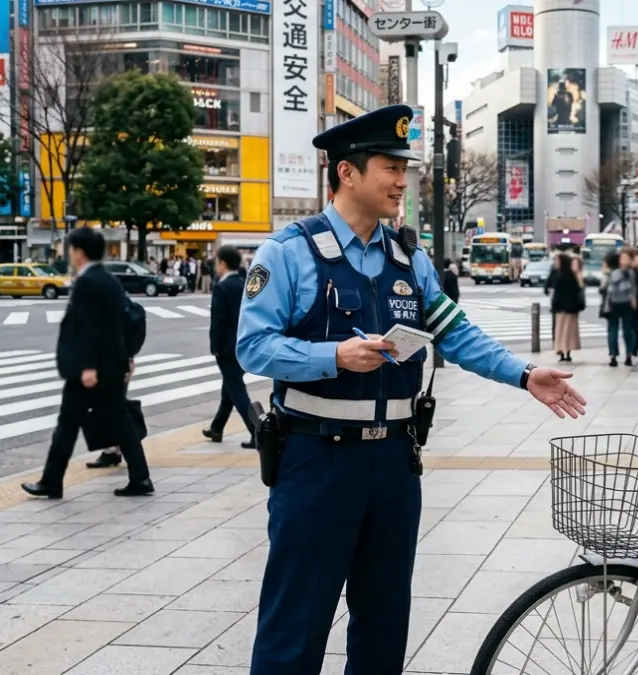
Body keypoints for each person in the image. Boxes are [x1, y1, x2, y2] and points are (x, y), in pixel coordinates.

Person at [235, 104, 587, 675]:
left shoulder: (408, 259)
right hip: (316, 459)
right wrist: (334, 356)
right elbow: (253, 346)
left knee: (384, 622)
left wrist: (524, 375)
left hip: (395, 463)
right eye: (389, 166)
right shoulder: (289, 252)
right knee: (294, 624)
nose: (403, 180)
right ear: (346, 172)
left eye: (405, 167)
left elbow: (456, 332)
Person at [22, 227, 153, 499]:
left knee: (68, 424)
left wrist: (88, 367)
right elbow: (119, 325)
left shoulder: (88, 282)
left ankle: (51, 481)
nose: (69, 254)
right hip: (112, 366)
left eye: (70, 249)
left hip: (92, 370)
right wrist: (127, 357)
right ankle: (140, 478)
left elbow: (90, 329)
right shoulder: (108, 280)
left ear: (79, 252)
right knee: (120, 422)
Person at [203, 245, 256, 448]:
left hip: (226, 347)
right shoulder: (245, 284)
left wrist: (215, 346)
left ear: (223, 264)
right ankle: (217, 428)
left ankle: (256, 431)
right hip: (243, 343)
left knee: (236, 389)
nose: (216, 266)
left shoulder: (222, 287)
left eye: (216, 262)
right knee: (230, 388)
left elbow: (218, 321)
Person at [601, 250, 636, 367]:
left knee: (626, 330)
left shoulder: (628, 272)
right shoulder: (617, 272)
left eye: (627, 258)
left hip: (624, 304)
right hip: (615, 304)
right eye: (623, 258)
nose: (625, 261)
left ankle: (626, 355)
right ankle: (615, 355)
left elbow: (633, 288)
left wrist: (633, 299)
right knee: (615, 330)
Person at [550, 252, 584, 362]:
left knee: (565, 330)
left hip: (566, 307)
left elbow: (577, 289)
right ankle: (564, 351)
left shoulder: (566, 275)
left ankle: (565, 351)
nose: (555, 263)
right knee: (564, 330)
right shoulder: (559, 273)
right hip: (565, 308)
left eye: (557, 261)